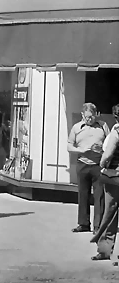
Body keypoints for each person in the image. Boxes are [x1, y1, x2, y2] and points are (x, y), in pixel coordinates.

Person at [68, 102, 110, 233]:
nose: (89, 120)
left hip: (98, 165)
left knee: (99, 197)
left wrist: (103, 151)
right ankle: (83, 223)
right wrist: (80, 150)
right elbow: (69, 146)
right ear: (82, 115)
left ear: (96, 115)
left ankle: (98, 226)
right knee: (83, 195)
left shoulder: (103, 126)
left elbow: (110, 144)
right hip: (82, 164)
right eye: (87, 117)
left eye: (91, 117)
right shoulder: (76, 128)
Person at [91, 103, 119, 261]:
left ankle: (104, 250)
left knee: (110, 214)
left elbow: (107, 155)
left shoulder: (116, 132)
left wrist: (102, 164)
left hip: (113, 176)